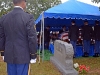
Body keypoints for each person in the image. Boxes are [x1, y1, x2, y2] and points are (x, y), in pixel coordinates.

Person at [0, 0, 37, 75]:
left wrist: (3, 53)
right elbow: (32, 37)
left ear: (13, 3)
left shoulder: (4, 18)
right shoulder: (28, 17)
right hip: (23, 56)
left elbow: (1, 37)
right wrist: (33, 54)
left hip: (9, 54)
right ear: (23, 2)